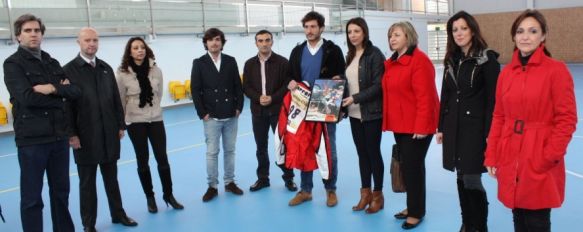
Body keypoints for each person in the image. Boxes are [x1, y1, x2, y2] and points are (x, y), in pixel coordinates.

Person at [484, 9, 577, 232]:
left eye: (533, 31)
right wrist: (493, 155)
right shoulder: (506, 73)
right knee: (518, 214)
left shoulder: (556, 70)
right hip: (510, 152)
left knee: (537, 219)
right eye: (520, 31)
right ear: (514, 37)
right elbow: (499, 116)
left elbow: (567, 119)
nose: (525, 37)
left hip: (539, 152)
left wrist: (549, 156)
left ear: (543, 36)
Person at [3, 13, 78, 232]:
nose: (33, 34)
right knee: (32, 198)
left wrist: (53, 89)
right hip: (32, 141)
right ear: (18, 36)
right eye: (28, 30)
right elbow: (27, 98)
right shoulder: (12, 64)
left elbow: (74, 91)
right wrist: (60, 95)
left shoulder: (51, 61)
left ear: (42, 34)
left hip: (58, 137)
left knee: (61, 193)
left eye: (37, 30)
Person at [63, 27, 138, 232]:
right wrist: (72, 134)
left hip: (108, 134)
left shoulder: (105, 68)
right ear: (78, 42)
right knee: (87, 184)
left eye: (95, 40)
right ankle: (89, 224)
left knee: (111, 179)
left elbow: (115, 99)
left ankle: (118, 214)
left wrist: (120, 125)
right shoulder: (68, 70)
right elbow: (66, 107)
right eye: (87, 40)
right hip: (84, 137)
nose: (92, 44)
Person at [435, 11, 500, 232]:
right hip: (454, 126)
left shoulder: (487, 59)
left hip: (476, 129)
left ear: (472, 29)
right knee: (461, 176)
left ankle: (479, 226)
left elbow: (494, 100)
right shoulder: (452, 60)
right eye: (454, 30)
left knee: (472, 178)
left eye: (463, 28)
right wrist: (441, 126)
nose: (459, 33)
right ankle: (467, 223)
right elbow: (446, 94)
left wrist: (491, 132)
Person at [382, 21, 439, 230]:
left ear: (408, 36)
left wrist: (422, 127)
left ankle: (416, 212)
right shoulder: (394, 61)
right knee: (409, 167)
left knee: (413, 169)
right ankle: (413, 206)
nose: (392, 39)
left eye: (397, 34)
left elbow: (426, 97)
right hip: (401, 124)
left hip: (417, 125)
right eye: (390, 36)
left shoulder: (419, 61)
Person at [116, 37, 184, 213]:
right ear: (129, 52)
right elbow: (121, 100)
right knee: (143, 161)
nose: (140, 50)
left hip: (155, 119)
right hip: (135, 122)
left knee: (163, 159)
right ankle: (150, 197)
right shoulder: (122, 74)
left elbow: (159, 94)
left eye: (142, 47)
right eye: (135, 48)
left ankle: (168, 195)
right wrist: (122, 123)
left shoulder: (156, 71)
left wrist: (152, 111)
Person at [286, 11, 346, 207]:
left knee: (329, 149)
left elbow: (341, 76)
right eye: (306, 27)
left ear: (321, 28)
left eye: (313, 27)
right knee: (304, 146)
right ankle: (306, 190)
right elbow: (290, 76)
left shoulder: (333, 50)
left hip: (325, 99)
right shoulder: (297, 51)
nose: (309, 30)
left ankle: (330, 189)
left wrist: (339, 81)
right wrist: (291, 83)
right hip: (301, 103)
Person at [191, 28, 245, 202]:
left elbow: (238, 85)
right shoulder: (199, 63)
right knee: (212, 153)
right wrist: (203, 113)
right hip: (211, 117)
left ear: (222, 42)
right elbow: (195, 90)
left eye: (217, 39)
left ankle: (229, 182)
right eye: (210, 40)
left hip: (231, 115)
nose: (214, 43)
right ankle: (212, 186)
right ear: (205, 43)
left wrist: (239, 107)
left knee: (230, 150)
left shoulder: (230, 61)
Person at [340, 17, 385, 214]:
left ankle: (377, 195)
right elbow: (350, 80)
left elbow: (378, 86)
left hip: (371, 112)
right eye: (350, 32)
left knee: (373, 152)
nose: (353, 35)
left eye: (356, 31)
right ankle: (364, 193)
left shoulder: (374, 54)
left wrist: (355, 98)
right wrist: (339, 80)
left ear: (364, 32)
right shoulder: (349, 55)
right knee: (362, 153)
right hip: (354, 114)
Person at [242, 30, 297, 192]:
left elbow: (286, 86)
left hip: (277, 111)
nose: (264, 43)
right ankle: (263, 179)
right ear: (256, 43)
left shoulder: (282, 62)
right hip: (258, 112)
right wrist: (258, 97)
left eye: (267, 40)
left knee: (282, 145)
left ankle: (289, 179)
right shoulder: (249, 64)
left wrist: (272, 98)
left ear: (272, 42)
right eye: (260, 41)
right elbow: (246, 87)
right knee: (261, 147)